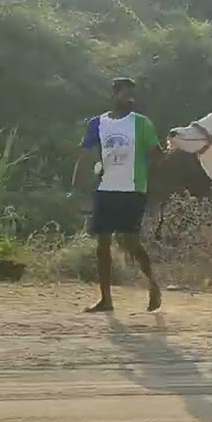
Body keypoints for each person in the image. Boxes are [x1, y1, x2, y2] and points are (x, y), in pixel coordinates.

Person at [71, 77, 163, 313]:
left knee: (130, 242)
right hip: (106, 189)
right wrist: (77, 187)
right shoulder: (97, 124)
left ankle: (153, 284)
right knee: (102, 244)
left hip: (132, 190)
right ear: (114, 95)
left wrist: (154, 181)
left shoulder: (142, 124)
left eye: (132, 94)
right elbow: (84, 155)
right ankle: (106, 299)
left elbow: (156, 155)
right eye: (124, 94)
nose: (129, 98)